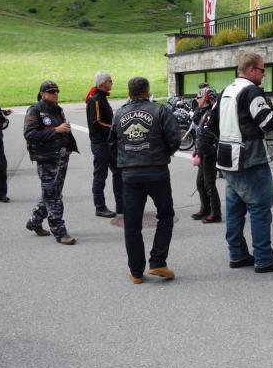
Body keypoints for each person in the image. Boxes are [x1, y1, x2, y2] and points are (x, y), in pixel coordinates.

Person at [208, 52, 273, 273]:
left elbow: (210, 123)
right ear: (252, 70)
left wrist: (228, 138)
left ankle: (237, 254)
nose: (264, 75)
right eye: (263, 70)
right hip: (249, 159)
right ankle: (264, 258)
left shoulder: (227, 90)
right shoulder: (251, 91)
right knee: (260, 208)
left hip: (227, 158)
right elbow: (267, 122)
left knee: (234, 210)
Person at [110, 77, 181, 284]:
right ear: (148, 92)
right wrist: (164, 154)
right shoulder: (160, 110)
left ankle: (136, 272)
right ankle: (158, 261)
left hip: (130, 175)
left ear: (129, 93)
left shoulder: (119, 113)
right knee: (166, 216)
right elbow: (175, 139)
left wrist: (123, 164)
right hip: (157, 172)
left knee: (132, 224)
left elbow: (111, 144)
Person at [24, 81, 79, 245]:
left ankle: (34, 221)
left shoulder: (57, 109)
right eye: (51, 91)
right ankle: (59, 232)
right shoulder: (35, 110)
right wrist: (56, 130)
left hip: (61, 157)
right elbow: (30, 134)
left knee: (50, 193)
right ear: (42, 94)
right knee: (54, 197)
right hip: (46, 159)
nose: (55, 93)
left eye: (56, 91)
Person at [86, 71, 123, 218]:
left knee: (118, 172)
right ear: (102, 83)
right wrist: (115, 128)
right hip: (101, 143)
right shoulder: (96, 99)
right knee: (100, 176)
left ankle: (121, 204)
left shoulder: (101, 98)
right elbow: (97, 122)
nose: (111, 83)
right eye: (110, 81)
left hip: (108, 142)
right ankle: (100, 207)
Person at [191, 86, 221, 223]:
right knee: (200, 183)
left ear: (207, 98)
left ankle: (216, 213)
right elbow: (196, 122)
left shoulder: (213, 113)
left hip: (209, 152)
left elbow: (211, 133)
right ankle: (205, 209)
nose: (197, 99)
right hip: (202, 151)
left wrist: (205, 102)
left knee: (209, 184)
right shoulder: (204, 112)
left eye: (200, 97)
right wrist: (197, 148)